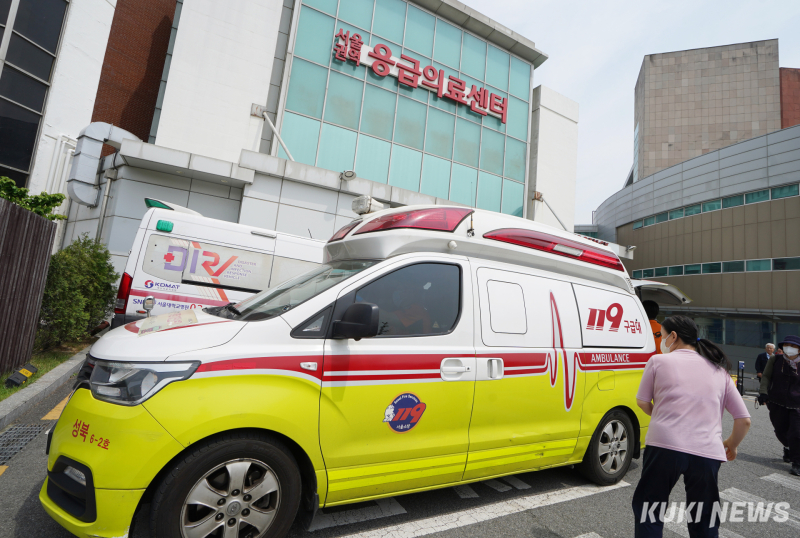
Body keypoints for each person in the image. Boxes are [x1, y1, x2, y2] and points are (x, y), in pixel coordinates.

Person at [632, 315, 751, 537]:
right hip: (707, 451)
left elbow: (642, 401)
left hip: (664, 446)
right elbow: (744, 419)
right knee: (704, 517)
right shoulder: (720, 372)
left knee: (650, 507)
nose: (661, 340)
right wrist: (731, 445)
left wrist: (662, 414)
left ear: (673, 336)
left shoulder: (658, 361)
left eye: (662, 336)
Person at [758, 336, 800, 475]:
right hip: (777, 401)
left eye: (793, 346)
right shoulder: (775, 359)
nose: (789, 348)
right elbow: (766, 376)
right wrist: (763, 392)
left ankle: (797, 462)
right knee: (780, 430)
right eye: (786, 345)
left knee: (797, 432)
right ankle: (788, 447)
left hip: (797, 403)